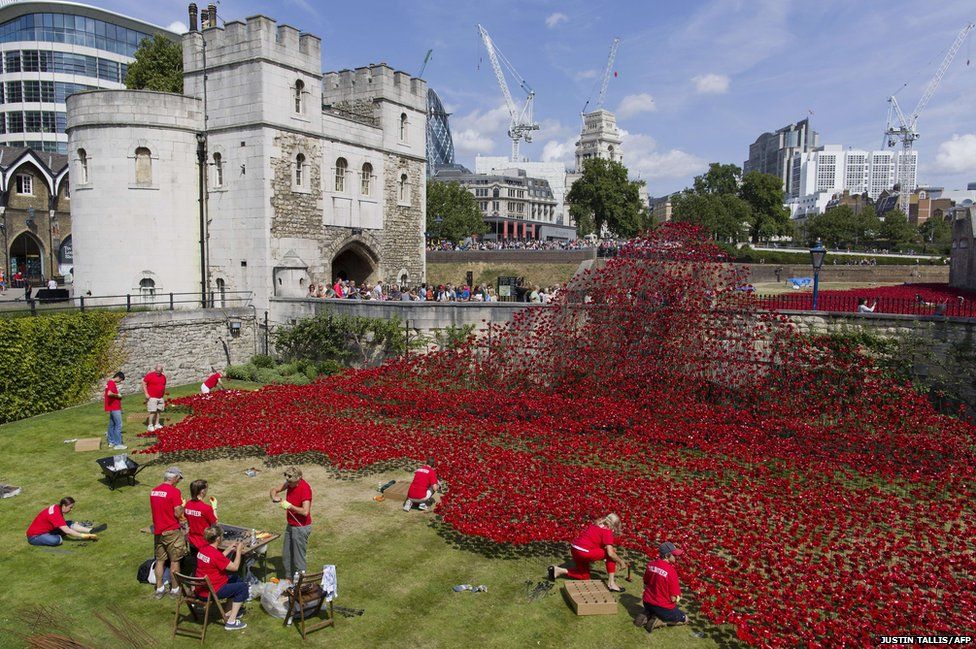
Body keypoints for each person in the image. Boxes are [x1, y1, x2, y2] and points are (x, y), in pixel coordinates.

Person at [549, 513, 627, 592]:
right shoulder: (607, 531)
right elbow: (610, 554)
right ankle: (611, 584)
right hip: (584, 552)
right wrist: (621, 562)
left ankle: (558, 570)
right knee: (611, 554)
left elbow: (594, 541)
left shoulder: (596, 524)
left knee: (584, 576)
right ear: (615, 524)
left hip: (575, 548)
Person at [194, 525, 247, 631]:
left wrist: (228, 549)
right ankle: (231, 622)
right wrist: (238, 551)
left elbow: (215, 560)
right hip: (211, 591)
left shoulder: (203, 549)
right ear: (218, 538)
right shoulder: (215, 555)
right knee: (242, 587)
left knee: (236, 579)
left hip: (200, 589)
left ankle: (228, 612)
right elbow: (235, 567)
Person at [150, 466, 187, 599]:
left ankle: (159, 588)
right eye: (179, 479)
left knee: (160, 560)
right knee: (174, 560)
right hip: (171, 531)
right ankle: (175, 588)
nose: (178, 482)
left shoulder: (154, 491)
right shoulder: (174, 492)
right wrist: (184, 505)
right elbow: (178, 513)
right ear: (175, 478)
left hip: (158, 530)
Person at [634, 541, 688, 632]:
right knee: (685, 618)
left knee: (655, 609)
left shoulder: (650, 565)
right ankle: (661, 621)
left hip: (647, 602)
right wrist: (679, 597)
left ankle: (648, 614)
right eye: (674, 555)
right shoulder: (671, 572)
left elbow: (645, 584)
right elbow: (673, 599)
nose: (677, 557)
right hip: (663, 607)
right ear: (667, 556)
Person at [270, 466, 312, 579]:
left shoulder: (305, 488)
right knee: (287, 555)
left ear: (299, 478)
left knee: (298, 558)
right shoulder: (289, 483)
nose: (289, 484)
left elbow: (305, 512)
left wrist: (290, 506)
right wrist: (274, 497)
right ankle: (289, 579)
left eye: (291, 482)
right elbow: (274, 489)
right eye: (288, 481)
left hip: (301, 527)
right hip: (291, 524)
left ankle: (301, 583)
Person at [26, 497, 98, 546]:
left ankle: (91, 530)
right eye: (70, 507)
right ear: (64, 506)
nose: (71, 509)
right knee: (58, 540)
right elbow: (67, 531)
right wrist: (84, 536)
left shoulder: (57, 507)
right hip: (34, 537)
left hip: (48, 530)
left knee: (69, 523)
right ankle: (55, 536)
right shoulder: (55, 514)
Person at [183, 479, 218, 553]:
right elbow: (215, 523)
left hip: (192, 541)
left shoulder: (187, 505)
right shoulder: (206, 508)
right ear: (202, 491)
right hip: (204, 542)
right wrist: (214, 508)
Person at [104, 371, 126, 450]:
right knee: (118, 425)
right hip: (114, 408)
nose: (120, 382)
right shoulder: (111, 383)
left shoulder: (109, 383)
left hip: (113, 407)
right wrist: (118, 395)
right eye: (120, 380)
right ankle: (118, 444)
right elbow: (109, 394)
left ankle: (111, 442)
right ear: (118, 377)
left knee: (112, 425)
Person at [143, 364, 167, 432]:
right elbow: (144, 383)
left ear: (162, 371)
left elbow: (163, 385)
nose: (158, 372)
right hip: (152, 397)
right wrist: (146, 393)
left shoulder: (163, 377)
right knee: (153, 411)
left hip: (160, 397)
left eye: (159, 371)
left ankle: (157, 424)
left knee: (159, 411)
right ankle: (150, 425)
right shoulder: (150, 375)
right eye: (157, 371)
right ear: (155, 369)